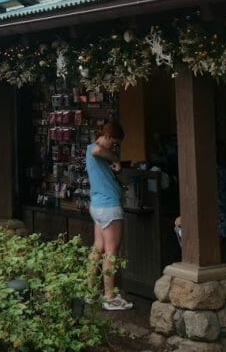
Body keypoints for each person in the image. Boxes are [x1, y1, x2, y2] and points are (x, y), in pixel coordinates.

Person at [86, 121, 133, 311]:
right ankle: (110, 296)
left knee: (98, 248)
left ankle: (91, 292)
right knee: (112, 252)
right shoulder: (95, 149)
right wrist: (114, 157)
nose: (114, 147)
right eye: (113, 142)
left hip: (97, 205)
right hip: (108, 206)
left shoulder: (92, 149)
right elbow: (98, 151)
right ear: (106, 136)